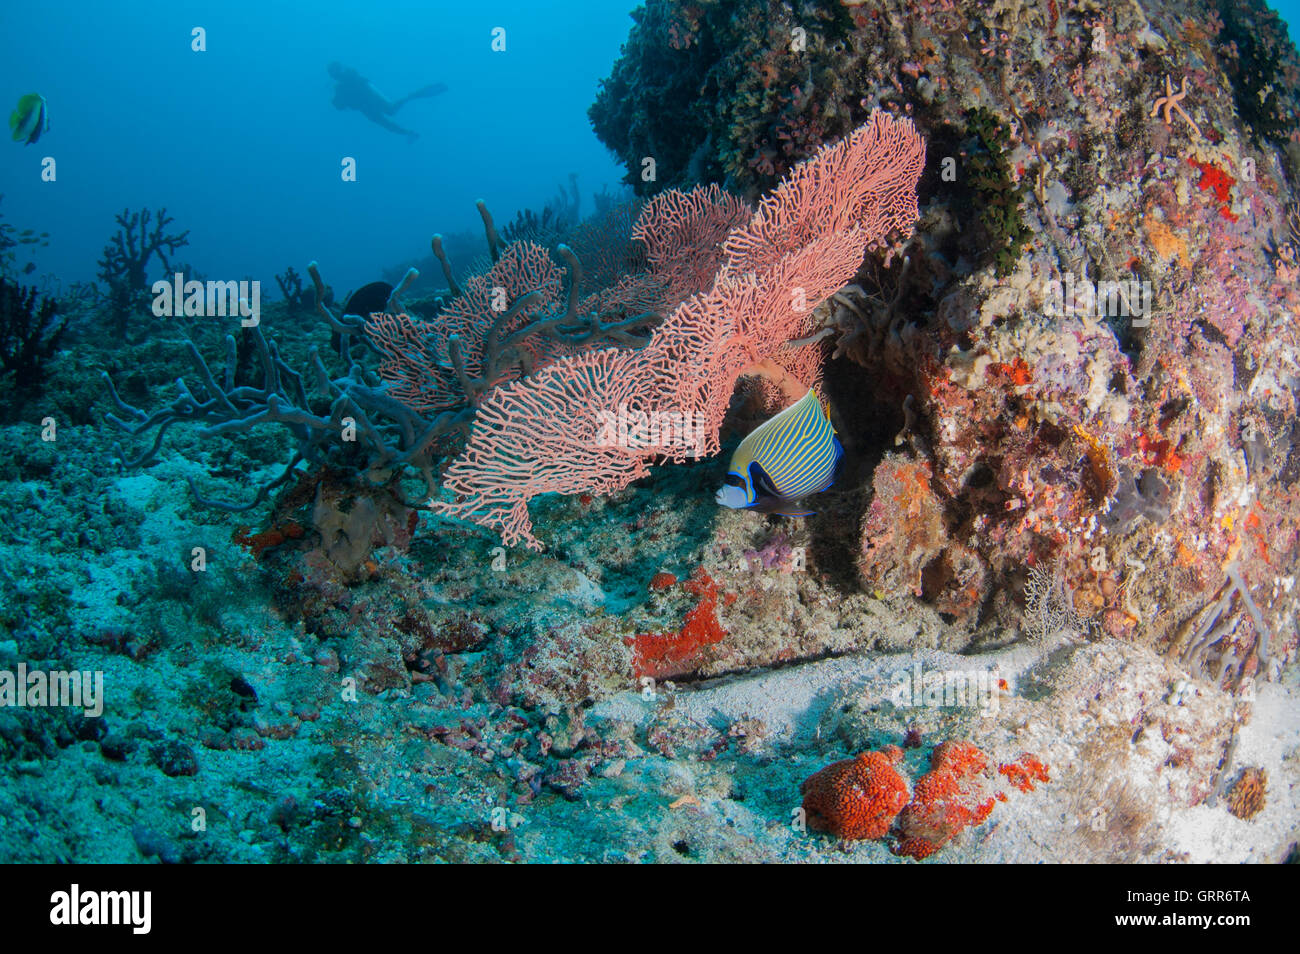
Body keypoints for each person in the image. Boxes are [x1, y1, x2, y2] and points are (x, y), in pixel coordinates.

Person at [327, 62, 446, 143]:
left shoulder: (346, 81)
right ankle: (409, 132)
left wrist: (340, 100)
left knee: (390, 112)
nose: (335, 76)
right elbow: (340, 104)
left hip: (369, 98)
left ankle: (414, 96)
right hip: (365, 106)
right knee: (386, 121)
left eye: (335, 73)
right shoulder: (340, 87)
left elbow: (343, 100)